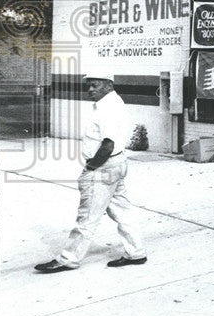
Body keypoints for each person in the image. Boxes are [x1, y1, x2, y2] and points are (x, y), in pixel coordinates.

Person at [35, 73, 147, 273]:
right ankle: (136, 251)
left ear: (109, 85)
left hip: (104, 167)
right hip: (116, 165)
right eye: (88, 87)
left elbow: (108, 144)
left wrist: (91, 167)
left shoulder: (108, 108)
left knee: (87, 217)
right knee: (122, 211)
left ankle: (68, 258)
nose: (90, 90)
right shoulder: (114, 102)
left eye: (95, 86)